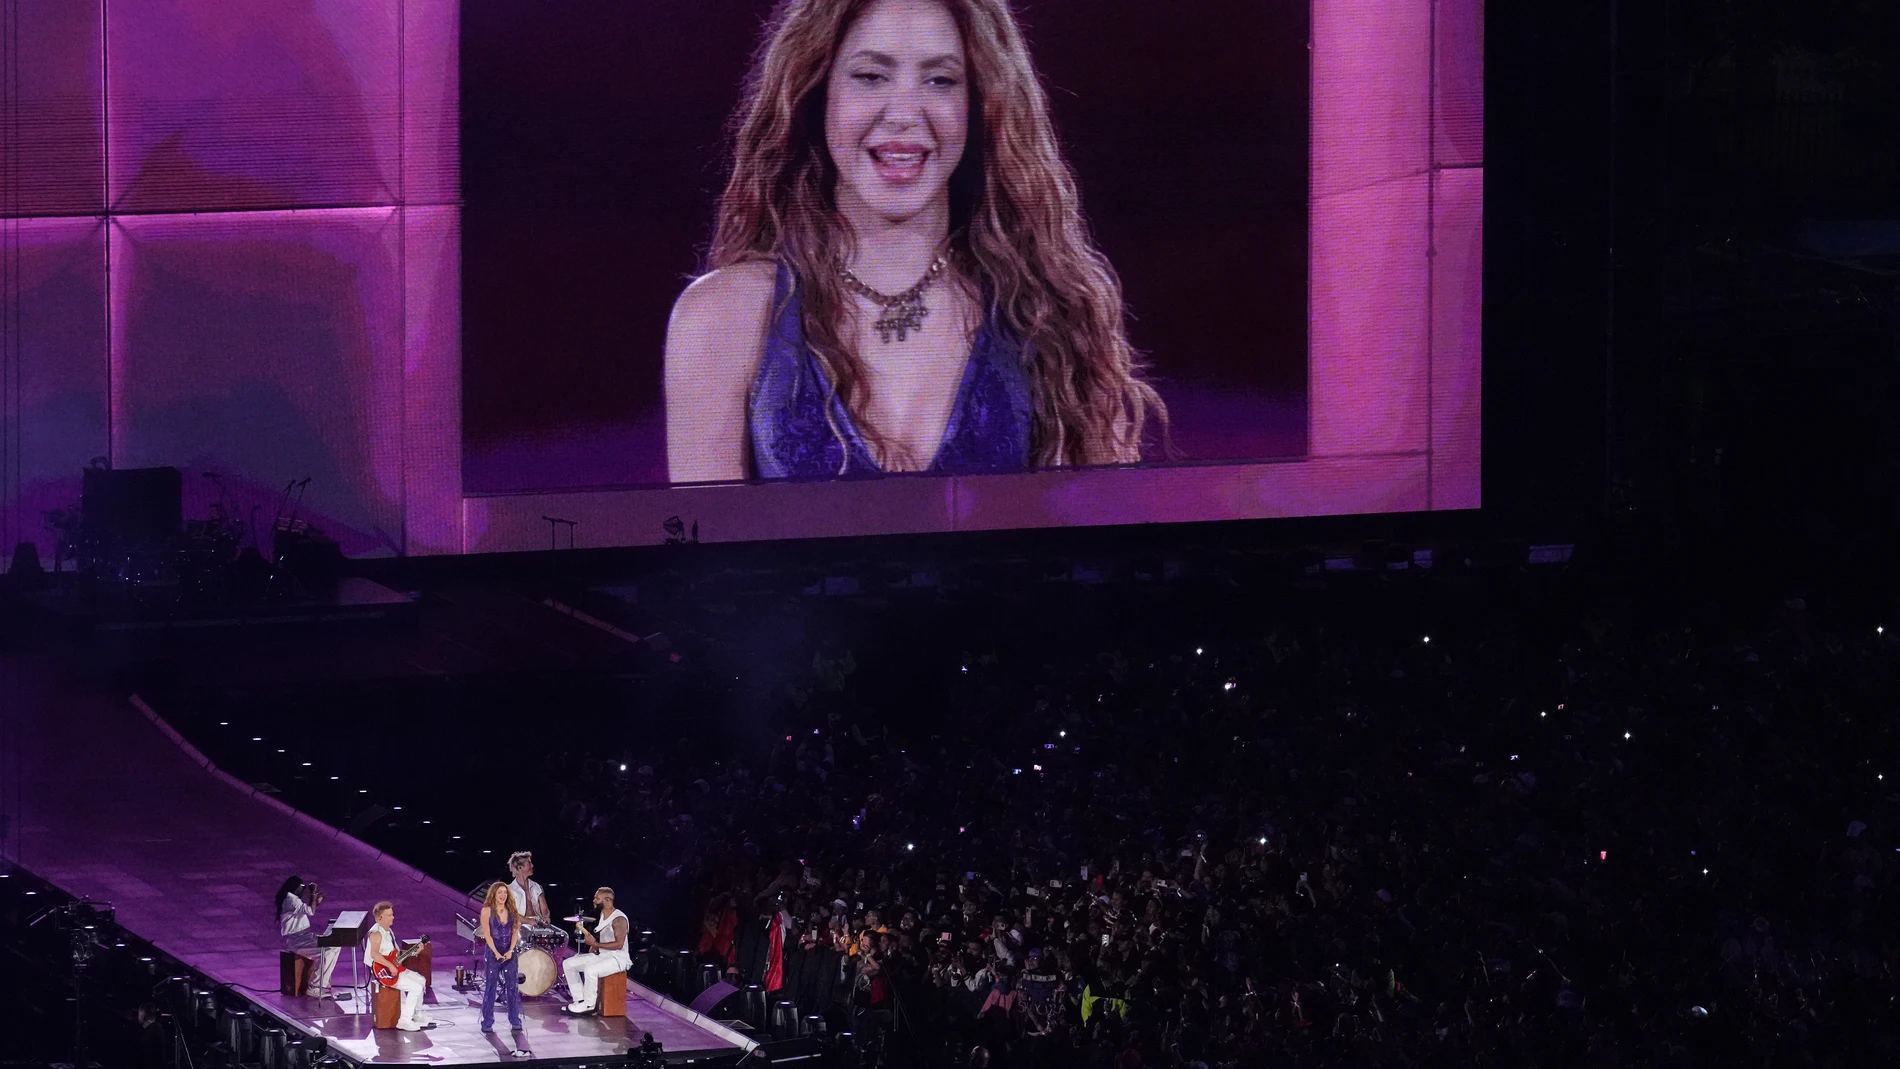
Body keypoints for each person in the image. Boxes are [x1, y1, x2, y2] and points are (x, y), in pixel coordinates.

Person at [665, 0, 1165, 484]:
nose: (905, 113)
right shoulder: (724, 317)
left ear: (979, 105)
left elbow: (1107, 550)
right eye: (870, 76)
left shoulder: (1047, 312)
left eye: (940, 80)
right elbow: (704, 562)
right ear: (817, 94)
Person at [562, 886, 631, 1015]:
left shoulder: (619, 919)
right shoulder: (602, 915)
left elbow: (619, 944)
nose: (594, 901)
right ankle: (580, 1000)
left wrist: (596, 944)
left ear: (607, 900)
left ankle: (589, 1006)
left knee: (590, 970)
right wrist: (594, 945)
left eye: (597, 898)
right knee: (569, 964)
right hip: (604, 955)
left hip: (618, 958)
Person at [365, 902, 432, 1031]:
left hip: (394, 966)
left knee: (421, 980)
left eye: (392, 914)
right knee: (415, 987)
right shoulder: (376, 933)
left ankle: (415, 1015)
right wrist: (390, 966)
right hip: (384, 971)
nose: (393, 917)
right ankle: (404, 1021)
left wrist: (415, 951)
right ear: (380, 918)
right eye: (389, 915)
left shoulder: (388, 931)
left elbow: (396, 954)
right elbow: (374, 954)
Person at [274, 876, 339, 997]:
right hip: (296, 940)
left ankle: (323, 982)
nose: (303, 890)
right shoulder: (291, 899)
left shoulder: (292, 900)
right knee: (328, 950)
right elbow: (310, 911)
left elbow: (307, 910)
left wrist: (315, 901)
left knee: (335, 944)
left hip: (304, 937)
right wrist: (313, 893)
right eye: (302, 887)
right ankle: (315, 986)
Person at [478, 881, 524, 1033]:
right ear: (494, 894)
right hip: (493, 953)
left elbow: (514, 933)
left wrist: (510, 950)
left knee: (512, 987)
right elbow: (487, 935)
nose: (503, 895)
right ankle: (487, 1022)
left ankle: (515, 1020)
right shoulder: (487, 911)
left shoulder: (512, 911)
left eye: (505, 892)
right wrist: (497, 953)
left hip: (510, 952)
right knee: (491, 987)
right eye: (500, 892)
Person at [506, 852, 551, 927]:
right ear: (520, 867)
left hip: (537, 924)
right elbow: (509, 914)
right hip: (519, 925)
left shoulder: (537, 886)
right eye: (529, 864)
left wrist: (546, 917)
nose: (532, 866)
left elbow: (544, 909)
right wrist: (527, 920)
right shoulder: (509, 890)